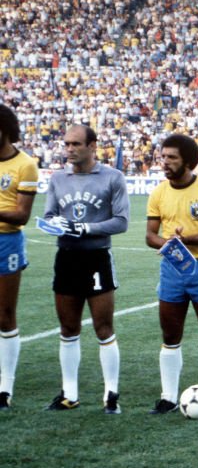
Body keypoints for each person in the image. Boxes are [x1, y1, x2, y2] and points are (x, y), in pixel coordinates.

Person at [42, 125, 130, 413]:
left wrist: (84, 228)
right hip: (66, 257)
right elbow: (48, 215)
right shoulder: (58, 178)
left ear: (92, 146)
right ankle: (69, 394)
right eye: (66, 143)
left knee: (104, 328)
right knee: (68, 328)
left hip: (96, 258)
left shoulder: (112, 177)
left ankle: (111, 396)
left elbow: (121, 221)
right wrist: (54, 224)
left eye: (76, 144)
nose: (69, 149)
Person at [145, 134, 198, 414]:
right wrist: (170, 245)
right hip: (171, 269)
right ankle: (168, 397)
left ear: (188, 162)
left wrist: (186, 240)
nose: (165, 163)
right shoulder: (159, 192)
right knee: (170, 334)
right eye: (163, 157)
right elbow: (149, 236)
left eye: (172, 158)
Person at [0, 104, 38, 411]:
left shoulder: (25, 165)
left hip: (7, 242)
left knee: (5, 315)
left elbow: (20, 215)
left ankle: (5, 387)